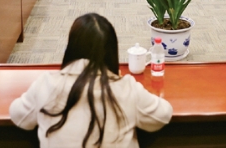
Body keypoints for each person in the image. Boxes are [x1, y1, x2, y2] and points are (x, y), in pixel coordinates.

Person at [10, 13, 172, 147]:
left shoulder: (46, 84)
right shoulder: (127, 88)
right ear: (112, 53)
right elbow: (164, 114)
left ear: (70, 50)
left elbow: (17, 115)